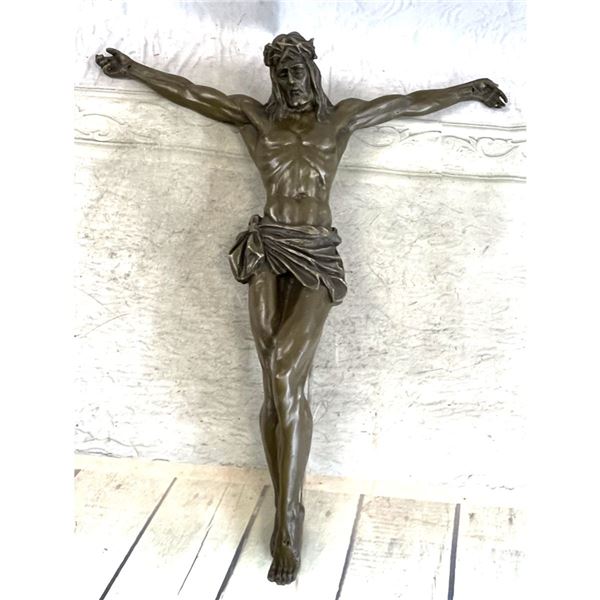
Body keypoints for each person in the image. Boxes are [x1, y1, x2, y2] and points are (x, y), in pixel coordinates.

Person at [96, 32, 506, 585]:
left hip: (316, 251)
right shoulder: (255, 119)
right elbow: (192, 93)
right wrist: (134, 70)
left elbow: (406, 103)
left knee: (288, 373)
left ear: (312, 70)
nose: (291, 82)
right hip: (267, 248)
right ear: (274, 78)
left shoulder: (341, 120)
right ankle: (286, 501)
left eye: (298, 71)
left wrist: (468, 90)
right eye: (282, 74)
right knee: (275, 382)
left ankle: (289, 518)